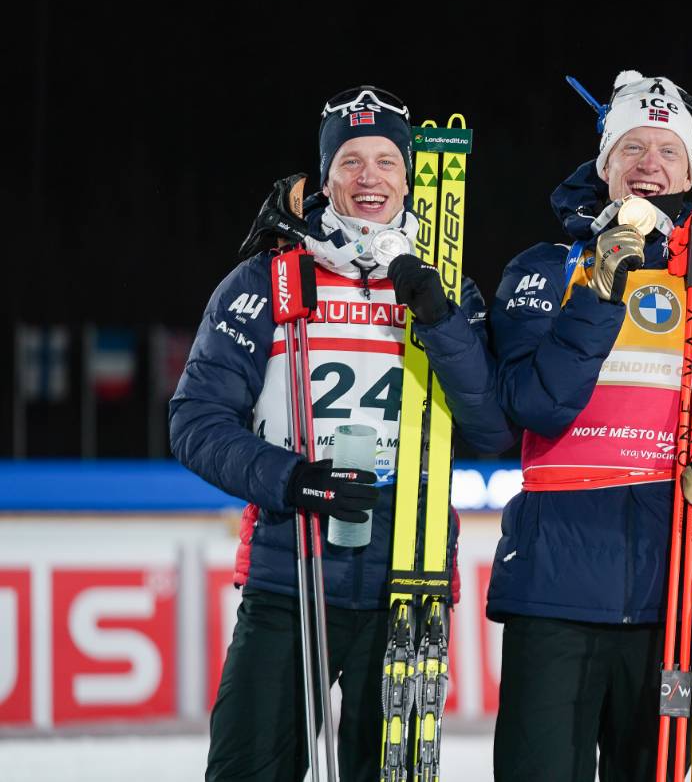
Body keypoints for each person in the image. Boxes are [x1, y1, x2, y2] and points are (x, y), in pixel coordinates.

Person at [169, 85, 512, 782]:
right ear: (325, 178)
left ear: (409, 178)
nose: (368, 177)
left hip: (407, 581)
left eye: (386, 160)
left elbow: (491, 426)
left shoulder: (446, 285)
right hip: (290, 572)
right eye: (350, 161)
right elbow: (195, 420)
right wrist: (292, 478)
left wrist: (440, 320)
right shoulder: (267, 280)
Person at [485, 70, 692, 782]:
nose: (650, 164)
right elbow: (532, 405)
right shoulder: (543, 270)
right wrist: (601, 290)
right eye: (633, 147)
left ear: (690, 171)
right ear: (604, 164)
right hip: (554, 592)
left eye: (668, 150)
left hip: (677, 598)